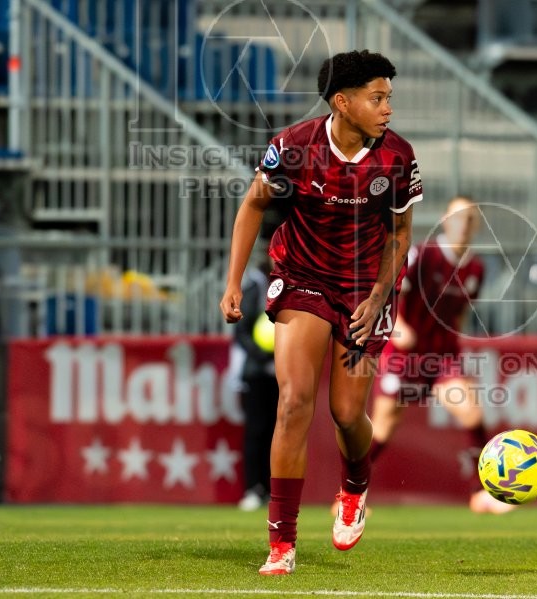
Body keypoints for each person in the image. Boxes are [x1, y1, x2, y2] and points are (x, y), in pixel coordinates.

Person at [219, 49, 422, 575]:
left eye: (389, 98)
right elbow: (253, 204)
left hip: (365, 288)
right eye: (377, 98)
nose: (388, 108)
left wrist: (379, 296)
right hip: (303, 278)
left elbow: (400, 234)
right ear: (342, 102)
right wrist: (233, 281)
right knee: (293, 403)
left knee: (347, 414)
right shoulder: (293, 146)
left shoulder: (397, 157)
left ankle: (354, 486)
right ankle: (281, 544)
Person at [366, 196, 514, 515]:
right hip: (403, 356)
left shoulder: (476, 268)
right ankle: (348, 493)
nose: (464, 224)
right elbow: (385, 294)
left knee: (472, 414)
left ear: (477, 225)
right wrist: (397, 328)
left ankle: (481, 493)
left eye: (471, 218)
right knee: (383, 428)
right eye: (458, 217)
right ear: (446, 221)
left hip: (442, 357)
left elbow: (459, 313)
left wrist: (453, 342)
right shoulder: (422, 255)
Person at [232, 252, 278, 512]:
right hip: (256, 372)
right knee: (257, 431)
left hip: (281, 372)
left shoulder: (296, 283)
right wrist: (262, 355)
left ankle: (273, 490)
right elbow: (242, 330)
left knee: (278, 432)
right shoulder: (256, 286)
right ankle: (253, 488)